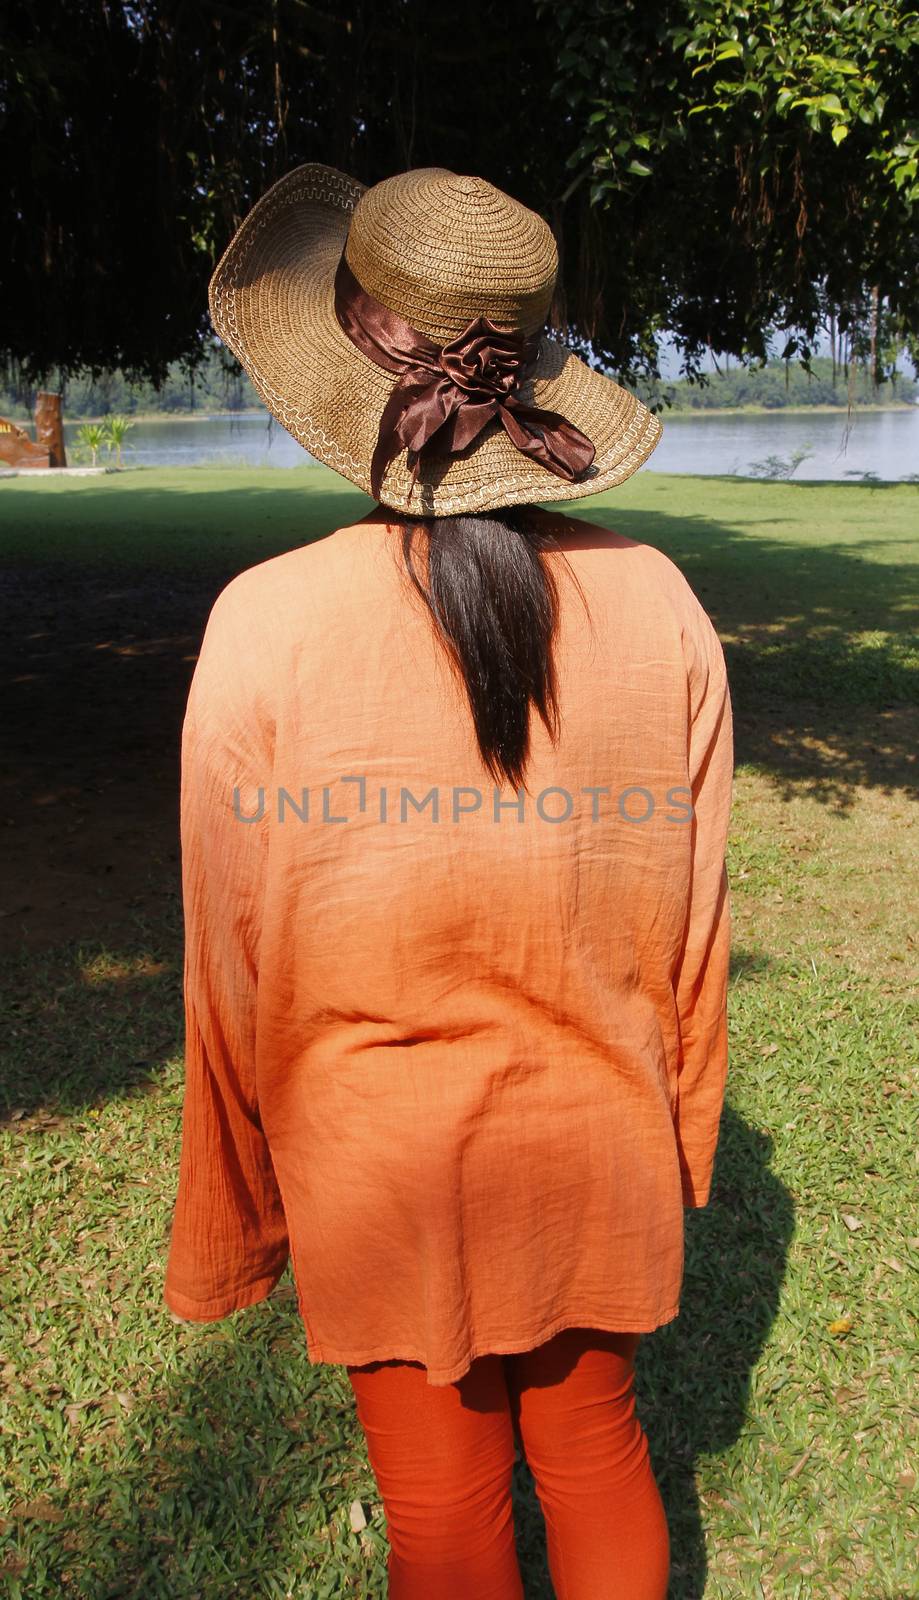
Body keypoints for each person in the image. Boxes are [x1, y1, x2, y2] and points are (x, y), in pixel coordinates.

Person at [163, 164, 733, 1600]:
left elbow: (230, 969)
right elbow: (697, 934)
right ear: (533, 371)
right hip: (596, 1144)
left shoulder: (265, 626)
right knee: (601, 1459)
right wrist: (682, 1137)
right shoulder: (663, 603)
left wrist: (233, 1217)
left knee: (442, 1518)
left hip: (381, 1171)